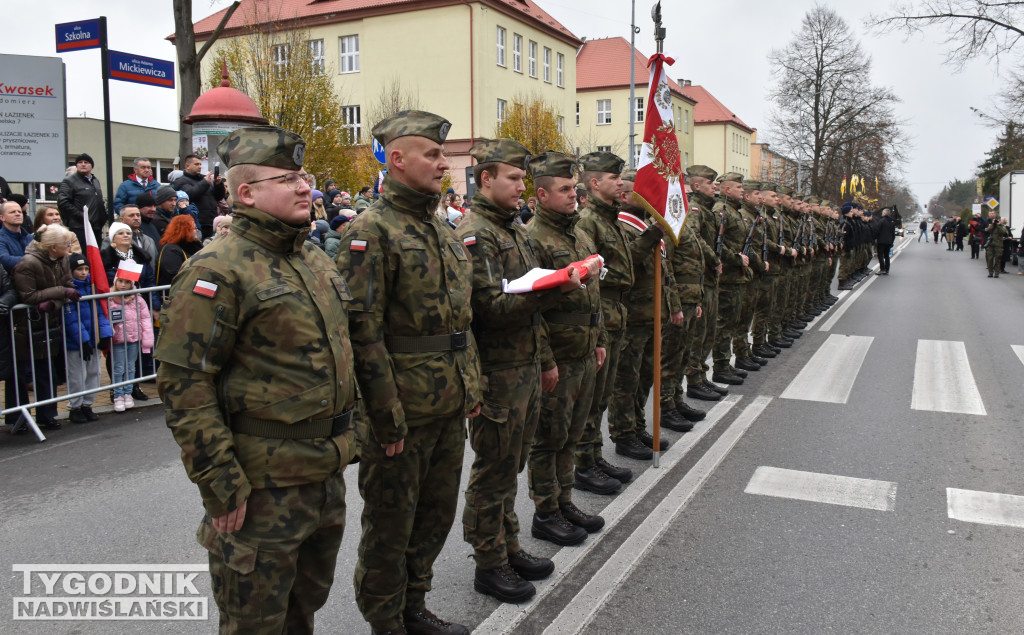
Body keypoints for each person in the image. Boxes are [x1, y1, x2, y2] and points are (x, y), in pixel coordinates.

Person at [156, 126, 358, 632]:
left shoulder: (312, 258)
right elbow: (186, 386)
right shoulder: (218, 271)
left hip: (321, 475)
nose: (303, 187)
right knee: (255, 623)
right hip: (260, 488)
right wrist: (220, 482)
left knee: (302, 608)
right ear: (246, 192)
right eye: (287, 177)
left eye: (304, 176)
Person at [336, 110, 481, 635]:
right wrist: (385, 416)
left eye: (443, 155)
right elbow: (363, 333)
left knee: (434, 515)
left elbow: (461, 321)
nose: (445, 164)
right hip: (402, 409)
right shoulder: (370, 231)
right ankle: (385, 619)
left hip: (446, 403)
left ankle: (413, 605)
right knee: (391, 525)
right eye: (434, 155)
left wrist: (473, 385)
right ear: (397, 159)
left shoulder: (440, 229)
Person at [457, 139, 589, 603]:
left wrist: (546, 359)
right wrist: (556, 290)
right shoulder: (477, 233)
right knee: (493, 468)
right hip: (497, 371)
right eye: (513, 178)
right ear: (486, 179)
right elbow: (489, 308)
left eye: (522, 178)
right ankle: (488, 561)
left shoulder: (512, 229)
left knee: (511, 464)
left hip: (525, 365)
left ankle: (509, 546)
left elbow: (527, 306)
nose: (521, 187)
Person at [525, 150, 610, 554]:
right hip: (558, 355)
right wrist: (545, 361)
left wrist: (600, 339)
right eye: (563, 189)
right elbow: (533, 309)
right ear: (541, 194)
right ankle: (545, 513)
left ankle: (564, 501)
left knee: (572, 434)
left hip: (583, 351)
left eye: (574, 187)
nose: (573, 194)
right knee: (550, 437)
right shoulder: (533, 238)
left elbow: (594, 290)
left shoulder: (578, 233)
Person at [573, 151, 636, 491]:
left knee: (604, 392)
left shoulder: (611, 218)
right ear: (595, 183)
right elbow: (590, 275)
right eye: (614, 178)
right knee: (594, 395)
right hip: (603, 312)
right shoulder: (589, 221)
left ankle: (594, 456)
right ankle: (583, 464)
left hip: (618, 313)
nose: (621, 183)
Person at [11, 224, 78, 431]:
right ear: (52, 247)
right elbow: (29, 296)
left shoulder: (63, 259)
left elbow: (70, 287)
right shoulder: (27, 263)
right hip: (26, 325)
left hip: (50, 321)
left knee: (47, 371)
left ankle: (47, 414)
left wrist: (58, 298)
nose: (69, 247)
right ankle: (17, 418)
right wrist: (60, 291)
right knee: (20, 373)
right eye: (64, 244)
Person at [63, 252, 112, 423]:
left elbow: (100, 312)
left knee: (94, 372)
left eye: (86, 269)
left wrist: (105, 334)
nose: (84, 273)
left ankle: (87, 404)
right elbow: (71, 319)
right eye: (79, 269)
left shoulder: (92, 287)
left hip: (93, 338)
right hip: (77, 343)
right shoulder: (69, 290)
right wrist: (82, 339)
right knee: (77, 375)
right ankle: (75, 406)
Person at [108, 268, 154, 412]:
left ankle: (128, 393)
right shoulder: (110, 299)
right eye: (120, 281)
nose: (123, 285)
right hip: (118, 340)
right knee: (119, 368)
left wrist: (147, 340)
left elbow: (145, 319)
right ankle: (118, 395)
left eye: (127, 282)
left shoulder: (138, 299)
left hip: (134, 339)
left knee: (130, 367)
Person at [57, 153, 107, 250]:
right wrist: (83, 216)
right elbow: (63, 202)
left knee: (96, 256)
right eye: (80, 162)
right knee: (83, 255)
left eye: (86, 162)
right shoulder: (69, 181)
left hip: (96, 226)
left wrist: (104, 216)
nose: (83, 164)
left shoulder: (95, 181)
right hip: (80, 227)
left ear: (91, 166)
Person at [173, 154, 227, 238]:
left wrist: (218, 184)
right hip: (195, 224)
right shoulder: (181, 181)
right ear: (187, 166)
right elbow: (190, 195)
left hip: (210, 222)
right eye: (196, 164)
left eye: (200, 164)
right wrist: (205, 182)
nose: (200, 166)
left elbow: (219, 197)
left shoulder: (205, 179)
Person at [155, 215, 204, 288]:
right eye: (194, 228)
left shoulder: (196, 246)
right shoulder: (170, 250)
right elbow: (175, 276)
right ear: (185, 230)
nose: (197, 230)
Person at [0, 200, 33, 273]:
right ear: (2, 218)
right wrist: (34, 260)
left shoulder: (30, 237)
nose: (17, 214)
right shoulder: (1, 238)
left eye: (19, 212)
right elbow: (5, 260)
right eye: (12, 212)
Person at [983, 211, 1009, 277]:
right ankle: (990, 272)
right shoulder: (992, 225)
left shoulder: (1002, 226)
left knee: (997, 259)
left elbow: (1004, 232)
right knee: (990, 259)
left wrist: (999, 225)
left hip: (998, 245)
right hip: (991, 244)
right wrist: (993, 224)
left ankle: (996, 273)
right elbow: (988, 230)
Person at [874, 208, 896, 274]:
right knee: (886, 256)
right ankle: (887, 269)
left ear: (884, 213)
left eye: (882, 213)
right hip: (889, 242)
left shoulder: (881, 221)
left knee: (880, 255)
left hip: (881, 241)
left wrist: (875, 238)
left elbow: (877, 230)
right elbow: (893, 234)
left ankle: (882, 269)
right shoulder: (892, 222)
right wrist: (891, 242)